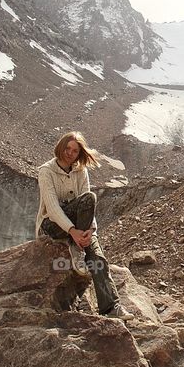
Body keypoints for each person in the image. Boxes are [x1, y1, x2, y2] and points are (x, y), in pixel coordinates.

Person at [35, 131, 134, 321]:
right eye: (67, 148)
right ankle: (77, 248)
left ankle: (111, 308)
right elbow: (53, 208)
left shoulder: (81, 171)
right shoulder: (46, 171)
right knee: (81, 216)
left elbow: (88, 205)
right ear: (61, 146)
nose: (70, 153)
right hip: (52, 225)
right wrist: (73, 232)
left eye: (74, 150)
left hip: (80, 228)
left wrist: (90, 232)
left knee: (98, 259)